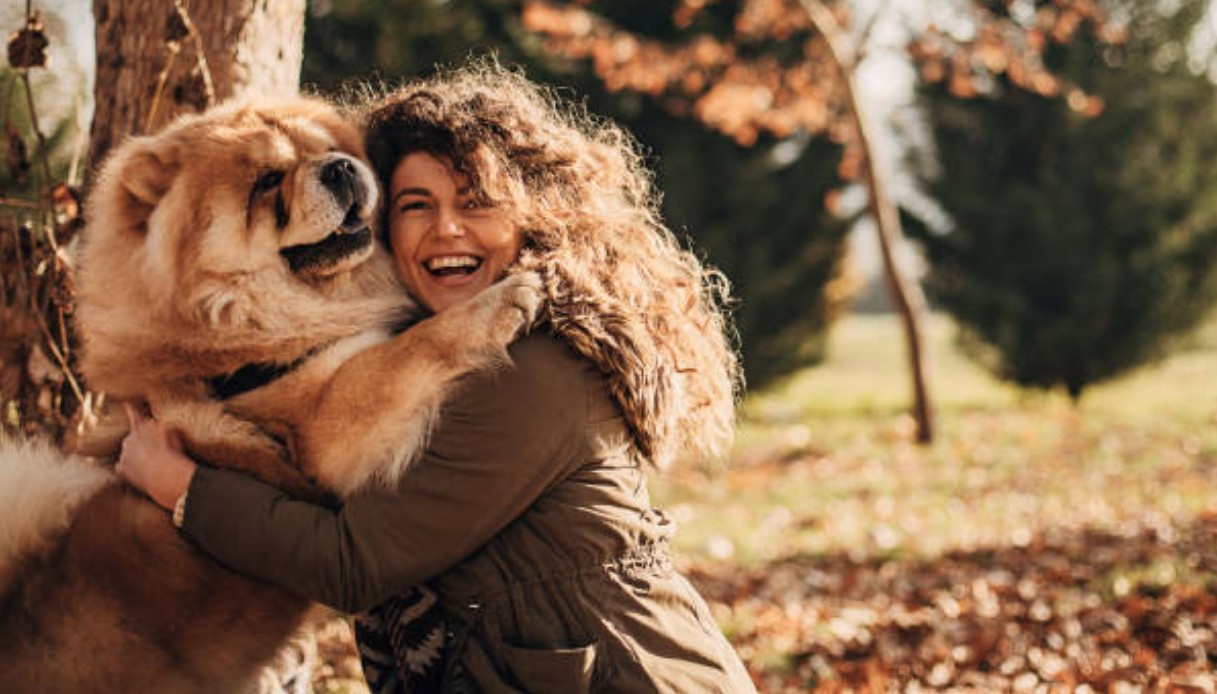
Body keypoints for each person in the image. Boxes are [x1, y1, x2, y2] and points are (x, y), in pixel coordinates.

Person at [118, 60, 755, 693]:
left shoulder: (530, 367)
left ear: (533, 215)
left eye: (475, 203)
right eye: (416, 204)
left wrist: (183, 486)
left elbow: (354, 563)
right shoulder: (422, 345)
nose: (445, 228)